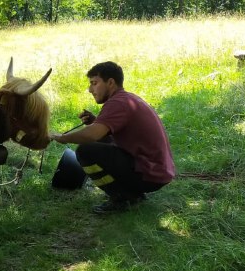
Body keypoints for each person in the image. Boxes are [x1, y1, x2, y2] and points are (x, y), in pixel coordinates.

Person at [50, 62, 175, 214]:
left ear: (110, 82)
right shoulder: (127, 99)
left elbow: (92, 135)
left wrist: (63, 137)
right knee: (98, 143)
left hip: (149, 174)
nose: (90, 90)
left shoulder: (118, 103)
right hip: (157, 172)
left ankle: (123, 197)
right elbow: (108, 135)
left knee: (85, 151)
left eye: (94, 83)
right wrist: (95, 121)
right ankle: (132, 193)